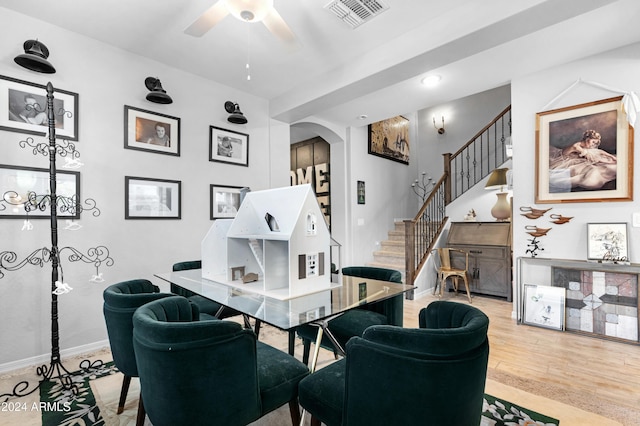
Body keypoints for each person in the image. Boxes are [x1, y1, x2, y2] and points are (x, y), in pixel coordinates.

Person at [548, 129, 617, 192]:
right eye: (593, 142)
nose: (593, 144)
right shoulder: (577, 147)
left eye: (595, 143)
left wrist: (610, 157)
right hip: (562, 162)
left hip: (573, 160)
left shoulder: (584, 147)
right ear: (587, 139)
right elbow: (594, 158)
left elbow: (598, 152)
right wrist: (609, 161)